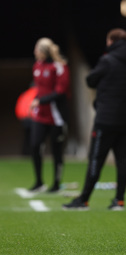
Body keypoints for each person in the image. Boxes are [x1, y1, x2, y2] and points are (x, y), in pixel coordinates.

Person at [63, 29, 126, 210]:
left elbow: (91, 80)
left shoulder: (107, 60)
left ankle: (84, 199)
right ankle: (119, 200)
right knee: (122, 159)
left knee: (96, 159)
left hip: (106, 118)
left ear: (112, 41)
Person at [29, 38, 70, 192]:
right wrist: (35, 101)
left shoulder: (59, 67)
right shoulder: (37, 66)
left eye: (36, 49)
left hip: (56, 116)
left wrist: (40, 101)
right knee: (35, 145)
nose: (34, 52)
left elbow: (60, 92)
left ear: (44, 51)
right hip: (40, 115)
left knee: (56, 150)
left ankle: (56, 184)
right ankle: (39, 182)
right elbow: (40, 89)